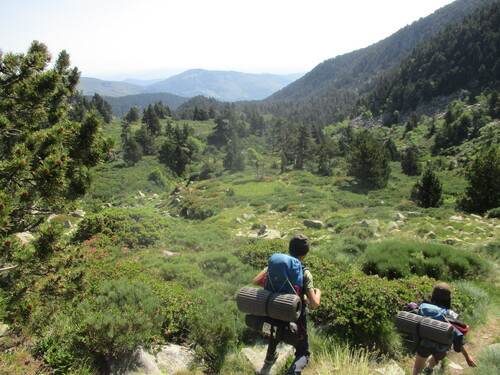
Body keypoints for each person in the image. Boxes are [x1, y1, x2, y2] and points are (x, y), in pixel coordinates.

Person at [252, 234, 321, 375]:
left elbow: (256, 282)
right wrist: (318, 292)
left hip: (274, 311)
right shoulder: (305, 272)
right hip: (296, 317)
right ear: (306, 254)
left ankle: (268, 364)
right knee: (303, 353)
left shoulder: (275, 266)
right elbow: (314, 303)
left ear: (289, 249)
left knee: (275, 333)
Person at [412, 282, 477, 375]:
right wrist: (467, 356)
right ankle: (429, 369)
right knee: (436, 358)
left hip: (423, 344)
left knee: (417, 369)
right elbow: (458, 336)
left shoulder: (422, 306)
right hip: (440, 348)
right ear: (448, 299)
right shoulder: (449, 314)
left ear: (433, 295)